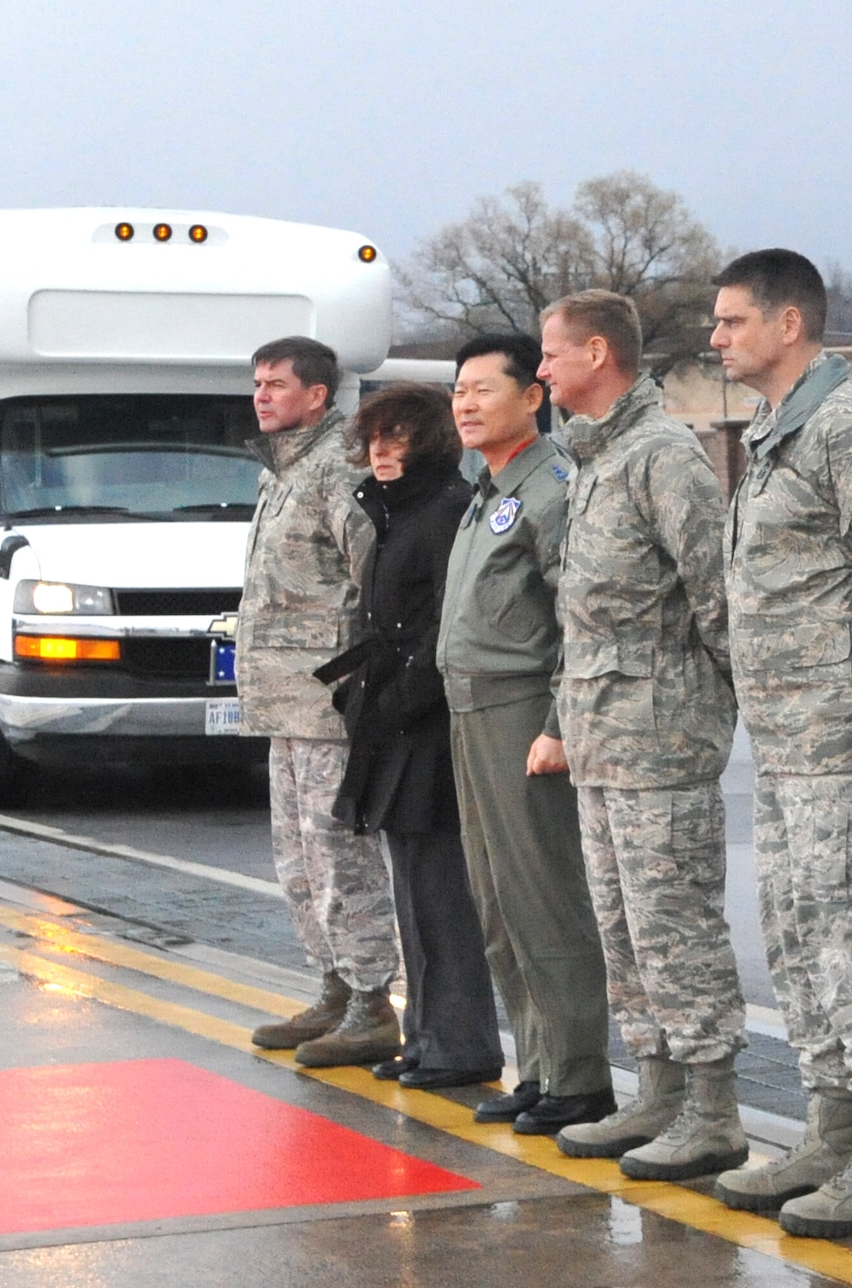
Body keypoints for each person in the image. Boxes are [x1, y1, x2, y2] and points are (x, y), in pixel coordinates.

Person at [708, 249, 852, 1240]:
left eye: (730, 321)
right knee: (799, 943)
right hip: (789, 740)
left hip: (844, 738)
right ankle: (829, 1128)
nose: (715, 339)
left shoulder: (851, 430)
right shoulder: (775, 431)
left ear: (787, 323)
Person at [533, 290, 749, 1180]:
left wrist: (725, 713)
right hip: (602, 742)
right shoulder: (593, 460)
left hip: (662, 743)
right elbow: (584, 620)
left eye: (550, 354)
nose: (541, 371)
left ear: (595, 353)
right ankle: (656, 1091)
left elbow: (719, 599)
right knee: (624, 932)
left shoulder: (663, 458)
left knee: (676, 930)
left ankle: (712, 1110)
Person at [439, 333, 615, 1134]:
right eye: (458, 392)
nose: (466, 404)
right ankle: (539, 1067)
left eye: (483, 389)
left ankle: (580, 1073)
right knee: (498, 900)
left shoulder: (552, 487)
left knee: (545, 898)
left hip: (522, 714)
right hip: (470, 710)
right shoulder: (488, 487)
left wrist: (557, 725)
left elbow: (574, 623)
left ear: (531, 396)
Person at [318, 382, 503, 1090]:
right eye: (374, 438)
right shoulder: (396, 512)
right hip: (394, 722)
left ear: (429, 443)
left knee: (445, 894)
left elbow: (447, 626)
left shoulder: (446, 510)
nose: (382, 451)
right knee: (414, 891)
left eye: (398, 437)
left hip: (428, 727)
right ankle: (428, 1035)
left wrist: (397, 698)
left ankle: (461, 1042)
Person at [239, 336, 401, 1069]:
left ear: (318, 396)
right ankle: (332, 987)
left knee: (341, 856)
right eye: (258, 384)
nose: (263, 395)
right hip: (283, 705)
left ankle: (373, 1000)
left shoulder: (337, 468)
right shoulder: (283, 471)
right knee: (298, 860)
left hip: (327, 705)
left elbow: (376, 580)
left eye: (277, 384)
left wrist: (357, 679)